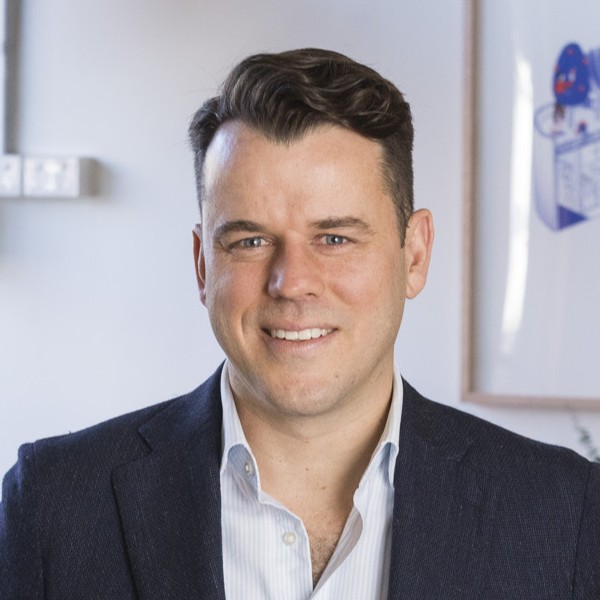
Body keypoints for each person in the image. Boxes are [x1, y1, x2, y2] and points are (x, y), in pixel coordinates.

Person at [0, 48, 598, 599]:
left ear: (414, 255)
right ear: (203, 265)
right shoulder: (53, 505)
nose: (292, 282)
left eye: (334, 238)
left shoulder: (565, 515)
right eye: (250, 241)